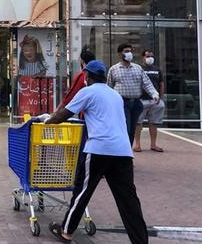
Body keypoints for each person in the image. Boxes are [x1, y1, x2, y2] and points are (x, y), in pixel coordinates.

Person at [45, 60, 149, 244]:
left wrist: (46, 121)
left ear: (87, 76)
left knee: (82, 191)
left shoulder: (87, 91)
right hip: (123, 151)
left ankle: (66, 232)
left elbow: (63, 115)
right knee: (128, 199)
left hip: (99, 149)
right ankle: (140, 240)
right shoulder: (115, 95)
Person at [107, 44, 159, 145]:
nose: (129, 53)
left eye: (130, 51)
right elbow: (109, 87)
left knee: (132, 129)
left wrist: (154, 94)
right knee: (126, 128)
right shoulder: (114, 69)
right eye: (126, 51)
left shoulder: (138, 68)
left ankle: (128, 151)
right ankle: (122, 151)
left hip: (136, 103)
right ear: (120, 53)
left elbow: (147, 83)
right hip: (122, 103)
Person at [133, 49, 166, 153]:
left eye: (151, 56)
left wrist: (160, 96)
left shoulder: (157, 70)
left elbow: (161, 84)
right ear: (143, 57)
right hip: (141, 100)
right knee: (138, 123)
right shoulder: (139, 69)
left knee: (154, 123)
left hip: (154, 101)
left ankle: (153, 144)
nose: (150, 58)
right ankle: (137, 144)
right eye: (147, 56)